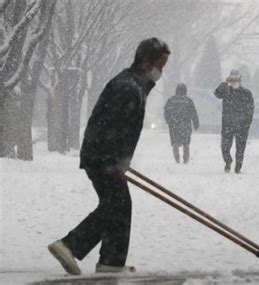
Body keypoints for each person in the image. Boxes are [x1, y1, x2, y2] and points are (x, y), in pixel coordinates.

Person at [47, 38, 170, 275]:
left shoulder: (135, 84)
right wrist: (113, 160)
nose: (160, 71)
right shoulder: (128, 87)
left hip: (106, 158)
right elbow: (111, 126)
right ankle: (69, 246)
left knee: (119, 206)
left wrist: (121, 160)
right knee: (117, 206)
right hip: (102, 158)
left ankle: (111, 263)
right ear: (146, 63)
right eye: (159, 65)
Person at [214, 70, 254, 173]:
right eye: (232, 79)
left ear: (240, 80)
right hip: (228, 124)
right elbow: (217, 93)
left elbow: (250, 109)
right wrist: (225, 83)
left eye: (236, 79)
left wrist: (247, 122)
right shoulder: (226, 91)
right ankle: (228, 161)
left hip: (242, 125)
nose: (234, 81)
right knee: (224, 146)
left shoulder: (246, 93)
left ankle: (238, 167)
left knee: (240, 148)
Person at [164, 83, 199, 163]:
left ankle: (177, 159)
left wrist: (169, 121)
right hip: (185, 124)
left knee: (175, 143)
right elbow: (193, 112)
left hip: (174, 125)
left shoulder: (171, 100)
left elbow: (166, 111)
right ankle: (186, 159)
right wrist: (195, 123)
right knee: (186, 143)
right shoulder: (188, 100)